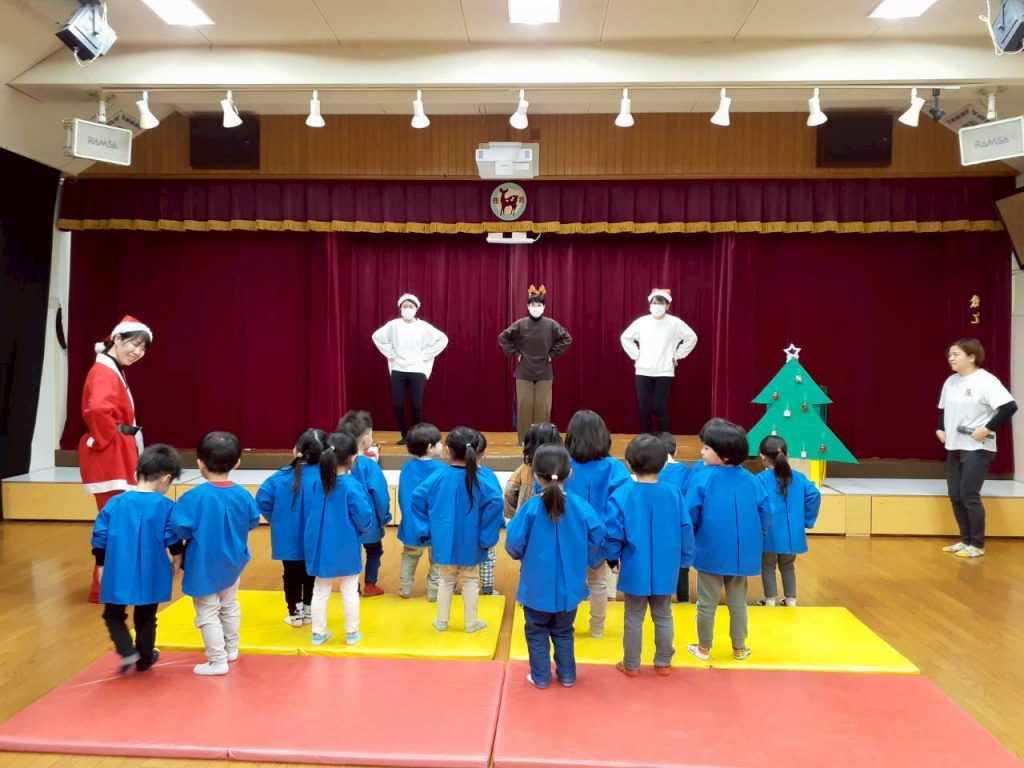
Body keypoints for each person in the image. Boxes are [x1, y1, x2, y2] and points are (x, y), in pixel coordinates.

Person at [505, 444, 605, 689]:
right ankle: (568, 676)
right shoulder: (581, 506)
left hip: (536, 588)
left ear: (536, 476)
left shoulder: (530, 508)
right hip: (570, 587)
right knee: (564, 631)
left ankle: (540, 677)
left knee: (536, 632)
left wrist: (521, 555)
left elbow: (513, 543)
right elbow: (597, 536)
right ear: (569, 473)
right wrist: (589, 559)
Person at [170, 432, 261, 676]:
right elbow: (252, 521)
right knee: (229, 605)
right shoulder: (243, 494)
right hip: (234, 562)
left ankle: (217, 660)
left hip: (203, 564)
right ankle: (231, 649)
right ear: (237, 462)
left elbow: (179, 528)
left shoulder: (194, 497)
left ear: (200, 462)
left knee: (207, 611)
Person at [606, 435, 695, 677]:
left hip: (635, 564)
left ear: (628, 463)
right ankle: (664, 662)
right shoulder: (673, 493)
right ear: (664, 463)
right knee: (664, 614)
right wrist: (686, 559)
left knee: (633, 615)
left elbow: (613, 531)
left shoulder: (622, 494)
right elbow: (685, 528)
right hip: (667, 566)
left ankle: (631, 664)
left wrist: (612, 558)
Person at [91, 444, 183, 675]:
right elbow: (172, 537)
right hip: (152, 570)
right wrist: (178, 559)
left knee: (113, 614)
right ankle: (144, 658)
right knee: (146, 617)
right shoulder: (166, 506)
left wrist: (100, 564)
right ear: (166, 479)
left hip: (118, 568)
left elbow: (100, 535)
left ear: (135, 474)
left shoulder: (115, 503)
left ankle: (126, 649)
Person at [80, 315, 153, 603]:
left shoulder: (111, 369)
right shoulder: (104, 372)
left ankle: (110, 587)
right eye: (134, 344)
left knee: (118, 522)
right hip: (111, 455)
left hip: (117, 452)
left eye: (143, 348)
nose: (138, 352)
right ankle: (107, 589)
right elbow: (98, 409)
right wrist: (104, 439)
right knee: (117, 524)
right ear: (117, 338)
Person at [685, 420, 771, 662]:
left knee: (706, 603)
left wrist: (689, 541)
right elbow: (766, 511)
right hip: (742, 552)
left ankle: (704, 648)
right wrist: (759, 533)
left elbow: (690, 513)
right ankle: (739, 648)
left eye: (706, 448)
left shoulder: (703, 478)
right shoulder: (752, 480)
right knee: (738, 603)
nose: (701, 452)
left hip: (710, 549)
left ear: (723, 455)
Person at [410, 426, 503, 633]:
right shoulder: (482, 478)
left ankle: (441, 621)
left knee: (445, 579)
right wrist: (486, 535)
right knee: (470, 580)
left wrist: (425, 529)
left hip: (444, 540)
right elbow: (496, 502)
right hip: (472, 540)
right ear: (477, 451)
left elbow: (417, 497)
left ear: (448, 450)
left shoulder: (439, 476)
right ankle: (471, 623)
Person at [937, 338, 1018, 559]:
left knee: (968, 494)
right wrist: (940, 428)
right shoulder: (951, 381)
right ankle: (965, 540)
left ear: (971, 357)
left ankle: (977, 544)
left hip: (978, 447)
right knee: (955, 495)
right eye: (950, 355)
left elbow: (1009, 407)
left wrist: (986, 428)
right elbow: (943, 409)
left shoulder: (986, 381)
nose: (951, 358)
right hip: (954, 445)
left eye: (956, 354)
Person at [563, 410, 632, 638]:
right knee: (599, 581)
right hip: (601, 537)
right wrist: (616, 541)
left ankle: (565, 628)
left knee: (568, 581)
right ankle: (597, 629)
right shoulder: (614, 468)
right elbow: (623, 506)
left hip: (567, 535)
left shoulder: (565, 465)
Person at [304, 432, 375, 646]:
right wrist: (365, 528)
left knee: (320, 589)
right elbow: (363, 514)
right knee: (350, 589)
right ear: (353, 458)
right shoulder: (351, 486)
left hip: (320, 544)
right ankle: (352, 633)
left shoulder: (318, 483)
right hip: (346, 544)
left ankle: (318, 633)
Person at [256, 428, 327, 626]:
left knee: (291, 574)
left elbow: (262, 500)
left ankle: (295, 614)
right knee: (312, 574)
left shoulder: (279, 477)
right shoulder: (327, 478)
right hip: (317, 537)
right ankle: (309, 611)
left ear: (296, 450)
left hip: (287, 537)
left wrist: (277, 519)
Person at [499, 285, 573, 444]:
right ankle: (525, 440)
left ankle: (542, 440)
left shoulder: (551, 324)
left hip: (544, 371)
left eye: (539, 305)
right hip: (524, 372)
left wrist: (552, 354)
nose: (536, 308)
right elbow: (503, 337)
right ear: (528, 306)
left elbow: (567, 338)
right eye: (533, 305)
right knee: (524, 406)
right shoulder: (520, 324)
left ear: (544, 307)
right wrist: (516, 354)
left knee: (543, 408)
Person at [371, 294, 449, 445]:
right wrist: (390, 353)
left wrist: (425, 355)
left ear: (416, 308)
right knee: (398, 405)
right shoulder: (394, 325)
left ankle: (416, 435)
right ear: (400, 308)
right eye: (404, 306)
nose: (407, 309)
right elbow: (376, 336)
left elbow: (443, 339)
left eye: (410, 306)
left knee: (416, 405)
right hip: (398, 369)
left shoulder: (424, 326)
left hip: (417, 370)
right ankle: (405, 434)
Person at [619, 289, 698, 433]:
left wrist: (677, 355)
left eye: (661, 303)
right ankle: (646, 437)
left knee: (660, 407)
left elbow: (691, 338)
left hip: (665, 371)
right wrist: (636, 355)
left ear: (667, 306)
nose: (657, 306)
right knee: (644, 407)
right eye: (654, 303)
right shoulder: (641, 322)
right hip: (643, 370)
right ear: (649, 304)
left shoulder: (675, 323)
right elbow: (625, 337)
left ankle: (665, 437)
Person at [756, 435, 821, 606]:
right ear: (786, 454)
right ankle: (791, 599)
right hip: (792, 532)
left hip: (768, 531)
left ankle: (770, 600)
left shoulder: (760, 479)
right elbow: (815, 495)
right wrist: (806, 519)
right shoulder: (799, 477)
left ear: (762, 455)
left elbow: (756, 504)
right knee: (788, 565)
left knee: (767, 565)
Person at [337, 410, 392, 595]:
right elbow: (380, 495)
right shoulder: (369, 465)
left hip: (344, 521)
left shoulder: (336, 465)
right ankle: (370, 584)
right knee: (374, 550)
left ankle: (352, 586)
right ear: (366, 438)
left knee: (350, 552)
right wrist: (385, 517)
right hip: (369, 522)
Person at [397, 423, 446, 600]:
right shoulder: (442, 470)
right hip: (436, 526)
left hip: (411, 524)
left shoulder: (407, 467)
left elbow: (403, 497)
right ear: (430, 447)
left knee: (409, 556)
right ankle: (434, 591)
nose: (442, 445)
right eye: (439, 442)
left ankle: (405, 588)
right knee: (437, 559)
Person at [654, 432, 693, 602]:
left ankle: (659, 597)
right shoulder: (686, 471)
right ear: (675, 451)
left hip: (657, 525)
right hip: (679, 525)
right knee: (682, 565)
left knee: (659, 562)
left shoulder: (653, 471)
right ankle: (683, 599)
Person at [503, 422, 563, 519]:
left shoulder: (525, 469)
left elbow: (509, 492)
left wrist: (515, 516)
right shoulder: (564, 468)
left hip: (526, 521)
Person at [473, 431, 502, 596]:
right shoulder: (487, 475)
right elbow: (497, 500)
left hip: (459, 528)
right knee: (487, 558)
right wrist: (498, 522)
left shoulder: (449, 475)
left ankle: (452, 586)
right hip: (485, 527)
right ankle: (487, 589)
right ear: (483, 453)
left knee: (457, 561)